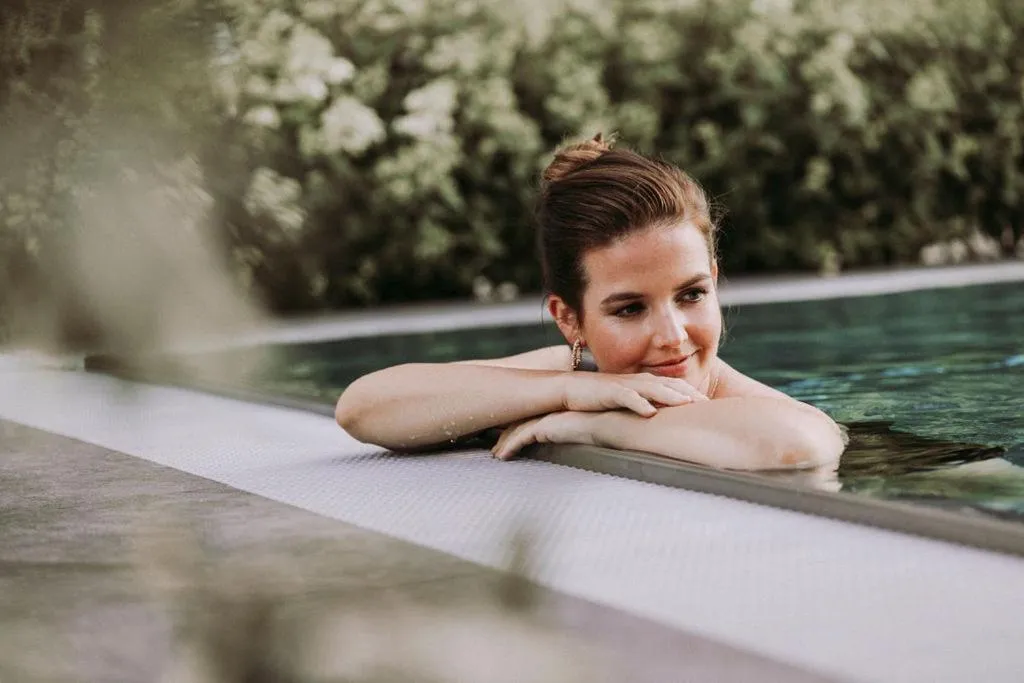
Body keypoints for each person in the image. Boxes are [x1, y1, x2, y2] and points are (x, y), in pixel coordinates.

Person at [335, 134, 847, 470]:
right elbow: (364, 408)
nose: (672, 336)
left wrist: (597, 426)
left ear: (714, 281)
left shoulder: (743, 402)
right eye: (629, 309)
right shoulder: (575, 378)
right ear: (569, 319)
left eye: (692, 294)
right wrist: (566, 391)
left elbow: (797, 445)